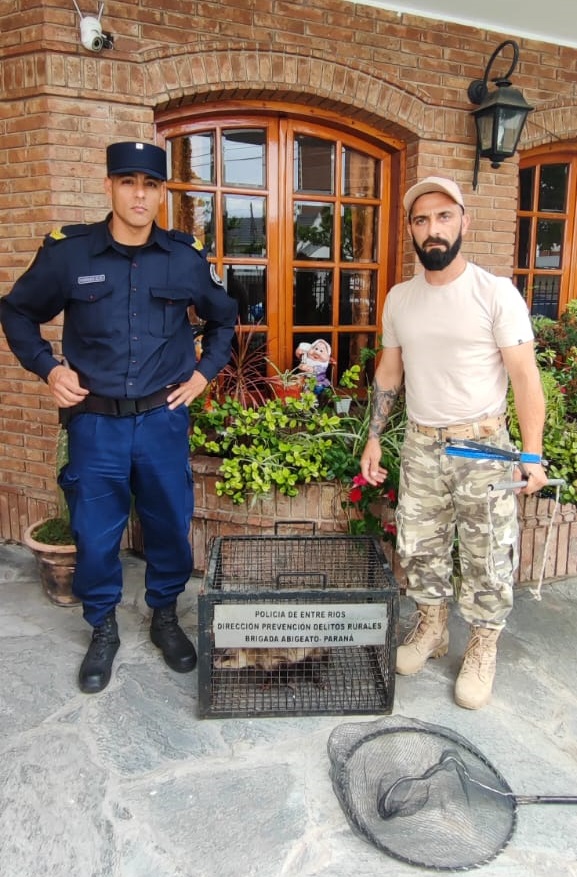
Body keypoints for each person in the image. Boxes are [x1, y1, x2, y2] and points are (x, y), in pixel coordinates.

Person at [0, 141, 238, 694]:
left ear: (162, 192)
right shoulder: (70, 254)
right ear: (109, 186)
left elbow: (224, 319)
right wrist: (47, 369)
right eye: (128, 182)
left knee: (169, 524)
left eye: (150, 184)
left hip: (161, 420)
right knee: (95, 531)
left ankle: (164, 617)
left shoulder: (184, 256)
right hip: (95, 424)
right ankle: (102, 627)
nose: (139, 194)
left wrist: (203, 374)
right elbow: (16, 311)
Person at [360, 176, 547, 710]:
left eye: (444, 216)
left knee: (488, 553)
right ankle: (432, 626)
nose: (433, 229)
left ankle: (483, 645)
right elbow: (390, 372)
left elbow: (525, 377)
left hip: (482, 446)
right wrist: (374, 438)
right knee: (419, 545)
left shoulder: (495, 293)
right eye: (421, 220)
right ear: (411, 230)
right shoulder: (400, 299)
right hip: (421, 445)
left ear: (464, 220)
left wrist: (531, 455)